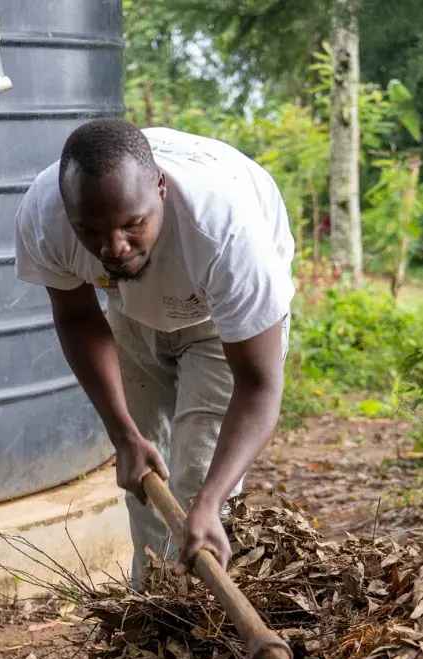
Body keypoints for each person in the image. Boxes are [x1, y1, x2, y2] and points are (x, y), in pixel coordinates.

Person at [15, 119, 295, 583]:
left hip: (219, 323)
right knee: (144, 478)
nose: (114, 246)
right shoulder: (45, 216)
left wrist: (209, 503)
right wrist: (124, 435)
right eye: (92, 231)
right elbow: (78, 318)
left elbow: (259, 384)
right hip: (131, 306)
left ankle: (203, 633)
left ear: (160, 187)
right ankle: (151, 625)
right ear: (67, 213)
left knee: (197, 490)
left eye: (132, 224)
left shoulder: (225, 231)